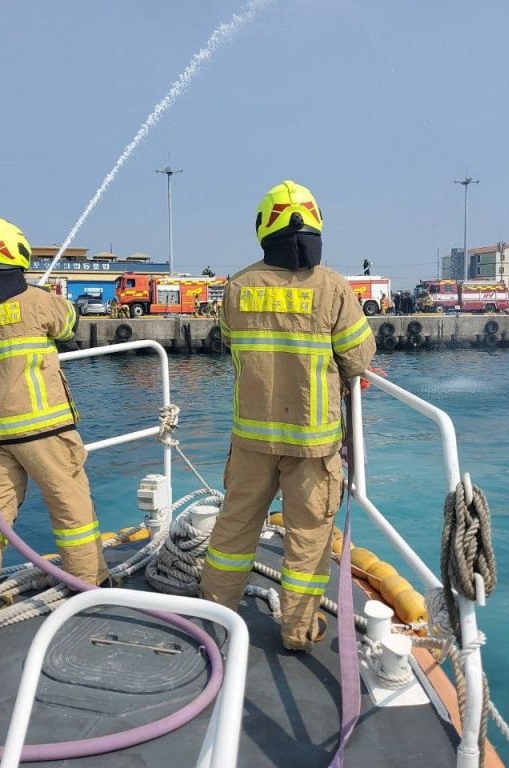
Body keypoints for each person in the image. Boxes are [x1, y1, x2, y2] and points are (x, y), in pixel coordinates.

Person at [199, 181, 376, 653]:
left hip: (251, 440)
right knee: (308, 540)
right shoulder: (333, 288)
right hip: (312, 444)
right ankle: (298, 631)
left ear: (263, 228)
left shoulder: (237, 287)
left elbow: (230, 342)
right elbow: (358, 358)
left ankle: (214, 613)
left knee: (235, 526)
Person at [0, 217, 109, 622]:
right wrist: (51, 298)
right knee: (70, 504)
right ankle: (88, 583)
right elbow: (69, 324)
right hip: (44, 428)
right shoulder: (38, 301)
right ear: (19, 253)